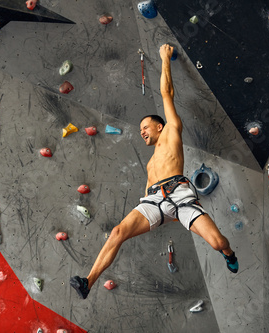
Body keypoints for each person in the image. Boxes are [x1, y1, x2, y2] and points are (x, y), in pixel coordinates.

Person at [70, 44, 238, 299]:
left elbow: (166, 92)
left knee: (218, 243)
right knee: (117, 232)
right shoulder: (151, 161)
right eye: (140, 131)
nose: (142, 132)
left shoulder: (171, 131)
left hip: (180, 198)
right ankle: (88, 282)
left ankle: (229, 254)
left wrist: (164, 59)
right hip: (153, 201)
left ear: (159, 126)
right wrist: (159, 210)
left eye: (145, 127)